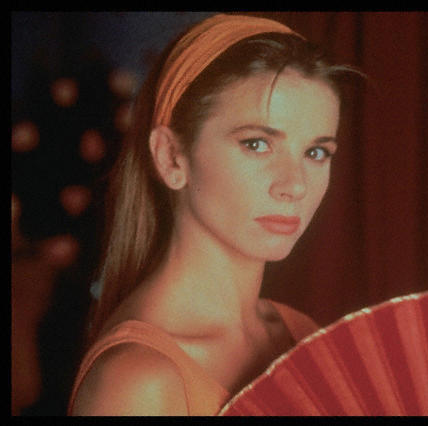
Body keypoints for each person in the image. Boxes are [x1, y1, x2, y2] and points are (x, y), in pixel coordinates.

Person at [67, 13, 362, 415]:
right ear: (171, 157)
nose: (295, 185)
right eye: (256, 144)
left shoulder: (300, 334)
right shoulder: (137, 381)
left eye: (316, 152)